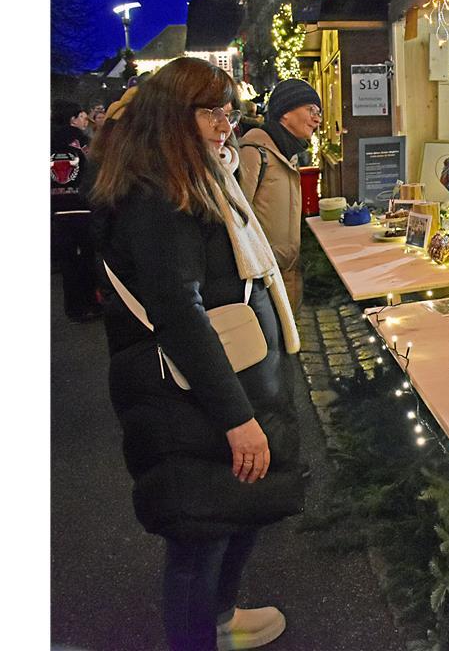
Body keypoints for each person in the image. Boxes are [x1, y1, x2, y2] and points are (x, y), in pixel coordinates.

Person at [90, 57, 304, 651]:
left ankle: (220, 617)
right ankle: (199, 634)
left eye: (229, 112)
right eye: (210, 112)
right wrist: (237, 418)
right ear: (170, 116)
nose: (224, 125)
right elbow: (177, 312)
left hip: (218, 379)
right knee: (199, 532)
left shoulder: (199, 173)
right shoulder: (159, 194)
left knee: (231, 510)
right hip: (186, 394)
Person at [238, 79, 321, 311]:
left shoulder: (288, 154)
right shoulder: (255, 153)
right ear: (285, 112)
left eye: (319, 112)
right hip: (263, 280)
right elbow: (237, 218)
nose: (317, 119)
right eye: (311, 110)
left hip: (288, 274)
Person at [51, 99, 102, 321]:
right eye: (82, 116)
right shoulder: (83, 142)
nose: (84, 120)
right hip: (82, 208)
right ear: (73, 118)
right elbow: (95, 169)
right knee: (88, 259)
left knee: (68, 262)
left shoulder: (48, 141)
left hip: (56, 210)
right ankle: (90, 303)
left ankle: (72, 308)